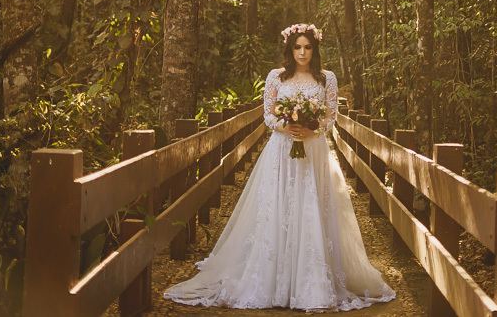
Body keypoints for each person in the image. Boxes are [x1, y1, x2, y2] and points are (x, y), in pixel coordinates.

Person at [163, 23, 396, 311]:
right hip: (282, 151)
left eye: (307, 47)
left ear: (315, 49)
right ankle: (272, 280)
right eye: (297, 47)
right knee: (279, 207)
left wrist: (313, 129)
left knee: (311, 206)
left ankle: (311, 282)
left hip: (314, 151)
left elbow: (331, 116)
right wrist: (288, 126)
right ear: (289, 48)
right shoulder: (276, 77)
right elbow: (267, 116)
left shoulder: (327, 78)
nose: (302, 52)